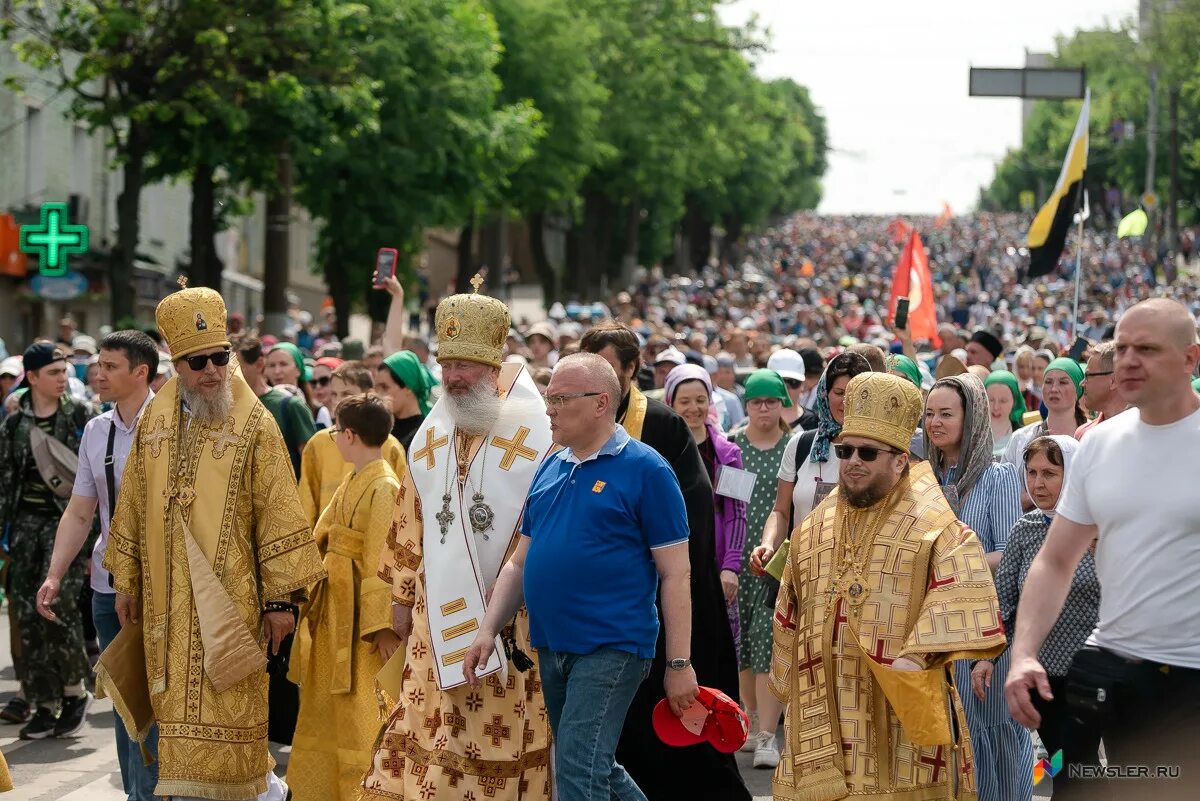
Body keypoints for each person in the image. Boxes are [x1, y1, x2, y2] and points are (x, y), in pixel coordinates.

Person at [103, 281, 325, 801]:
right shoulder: (154, 421)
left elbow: (277, 512)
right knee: (174, 729)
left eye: (219, 358)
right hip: (165, 607)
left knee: (233, 724)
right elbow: (132, 502)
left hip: (233, 608)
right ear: (175, 366)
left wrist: (279, 602)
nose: (211, 372)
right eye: (197, 362)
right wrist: (127, 580)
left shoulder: (255, 424)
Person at [463, 353, 696, 801]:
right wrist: (488, 629)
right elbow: (519, 562)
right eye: (549, 397)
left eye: (561, 398)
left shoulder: (647, 470)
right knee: (592, 765)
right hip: (553, 645)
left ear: (600, 402)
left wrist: (679, 664)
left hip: (612, 645)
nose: (548, 408)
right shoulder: (552, 466)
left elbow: (676, 575)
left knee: (576, 773)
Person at [769, 372, 1006, 800]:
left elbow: (962, 583)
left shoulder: (932, 522)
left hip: (896, 702)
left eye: (867, 452)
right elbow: (790, 604)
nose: (853, 461)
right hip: (826, 700)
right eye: (845, 450)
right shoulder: (813, 527)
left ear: (900, 460)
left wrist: (918, 656)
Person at [362, 279, 554, 800]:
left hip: (510, 616)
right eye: (447, 366)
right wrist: (400, 596)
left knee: (498, 732)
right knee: (431, 727)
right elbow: (409, 516)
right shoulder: (433, 431)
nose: (453, 378)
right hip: (431, 615)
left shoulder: (536, 432)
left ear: (494, 368)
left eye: (465, 367)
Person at [1005, 299, 1200, 801]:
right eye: (1124, 347)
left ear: (1190, 359)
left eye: (1148, 349)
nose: (1130, 360)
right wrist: (1024, 652)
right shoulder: (1098, 445)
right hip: (1115, 668)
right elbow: (1054, 559)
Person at [580, 321, 748, 801]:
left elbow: (691, 522)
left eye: (608, 368)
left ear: (632, 370)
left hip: (661, 593)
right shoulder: (573, 423)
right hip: (601, 601)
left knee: (675, 719)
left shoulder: (660, 426)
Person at [34, 331, 160, 794]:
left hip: (165, 587)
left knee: (160, 701)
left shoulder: (175, 424)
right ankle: (136, 792)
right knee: (125, 700)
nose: (97, 374)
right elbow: (81, 510)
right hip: (108, 586)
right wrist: (54, 574)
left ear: (140, 372)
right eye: (98, 365)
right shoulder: (96, 429)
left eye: (109, 366)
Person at [288, 395, 402, 801]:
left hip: (361, 627)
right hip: (335, 611)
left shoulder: (384, 485)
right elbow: (323, 533)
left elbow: (381, 563)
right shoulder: (358, 477)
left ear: (349, 435)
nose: (334, 437)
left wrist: (382, 627)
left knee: (362, 715)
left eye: (337, 430)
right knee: (328, 712)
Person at [924, 374, 1030, 801]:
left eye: (946, 414)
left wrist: (948, 564)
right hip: (936, 626)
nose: (935, 422)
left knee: (991, 735)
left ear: (972, 418)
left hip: (986, 626)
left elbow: (1008, 555)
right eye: (929, 413)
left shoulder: (998, 477)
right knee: (950, 733)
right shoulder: (922, 479)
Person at [971, 435, 1098, 768]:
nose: (1038, 484)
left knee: (1079, 767)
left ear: (1072, 473)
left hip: (1091, 674)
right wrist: (986, 657)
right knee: (1063, 765)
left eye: (1049, 474)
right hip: (1042, 678)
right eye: (1031, 472)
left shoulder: (1096, 529)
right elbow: (1006, 603)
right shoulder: (1025, 528)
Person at [0, 342, 95, 739]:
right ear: (33, 377)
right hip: (24, 529)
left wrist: (92, 546)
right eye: (53, 373)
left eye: (64, 372)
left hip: (68, 529)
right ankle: (42, 702)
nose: (62, 379)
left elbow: (92, 485)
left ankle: (74, 692)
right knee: (24, 614)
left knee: (59, 609)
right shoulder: (15, 423)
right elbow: (6, 482)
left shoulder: (80, 417)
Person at [753, 353, 873, 576]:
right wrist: (768, 544)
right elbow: (781, 511)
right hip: (803, 574)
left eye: (856, 393)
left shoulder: (879, 452)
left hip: (857, 577)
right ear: (825, 394)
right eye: (838, 393)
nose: (846, 401)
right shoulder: (801, 445)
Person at [729, 370, 791, 769]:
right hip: (741, 554)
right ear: (747, 405)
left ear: (782, 403)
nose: (764, 408)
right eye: (756, 402)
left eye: (771, 401)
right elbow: (730, 504)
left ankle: (768, 729)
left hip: (777, 559)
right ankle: (751, 720)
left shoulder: (791, 447)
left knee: (767, 637)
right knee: (743, 645)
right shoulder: (735, 447)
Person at [665, 364, 745, 658]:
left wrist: (731, 567)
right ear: (671, 402)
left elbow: (738, 512)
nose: (693, 408)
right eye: (684, 401)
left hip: (715, 567)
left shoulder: (729, 452)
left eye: (701, 399)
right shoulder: (657, 450)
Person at [297, 362, 406, 529]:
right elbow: (307, 500)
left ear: (368, 396)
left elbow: (400, 500)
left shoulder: (389, 444)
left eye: (347, 394)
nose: (338, 401)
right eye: (334, 394)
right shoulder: (318, 443)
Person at [236, 336, 317, 477]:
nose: (229, 373)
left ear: (260, 364)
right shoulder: (229, 408)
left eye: (236, 366)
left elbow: (311, 465)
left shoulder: (291, 405)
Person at [1002, 357, 1086, 465]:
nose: (1054, 389)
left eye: (1063, 382)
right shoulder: (1020, 439)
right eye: (1048, 382)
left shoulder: (1091, 436)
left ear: (1078, 389)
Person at [375, 350, 437, 450]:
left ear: (408, 387)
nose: (378, 394)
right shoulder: (379, 427)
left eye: (384, 387)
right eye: (376, 388)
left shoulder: (424, 433)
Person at [1075, 341, 1126, 438]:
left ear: (1114, 381)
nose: (1081, 384)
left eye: (1087, 376)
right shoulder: (1083, 434)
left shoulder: (1146, 433)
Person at [767, 349, 816, 430]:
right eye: (779, 382)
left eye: (793, 382)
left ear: (802, 385)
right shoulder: (755, 422)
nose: (786, 388)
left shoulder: (815, 424)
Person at [984, 370, 1026, 458]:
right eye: (991, 400)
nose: (996, 407)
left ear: (1014, 402)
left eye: (1003, 401)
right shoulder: (971, 434)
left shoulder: (1024, 437)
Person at [309, 356, 343, 430]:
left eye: (324, 381)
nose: (318, 386)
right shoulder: (309, 416)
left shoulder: (351, 415)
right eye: (314, 382)